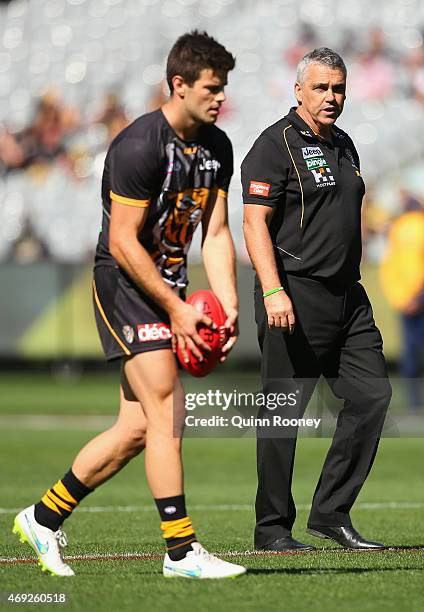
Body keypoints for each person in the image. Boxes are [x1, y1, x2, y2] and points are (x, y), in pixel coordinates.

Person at [13, 31, 245, 580]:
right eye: (211, 88)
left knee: (137, 429)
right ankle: (182, 553)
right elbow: (122, 242)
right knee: (168, 408)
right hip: (123, 283)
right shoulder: (139, 146)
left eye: (224, 88)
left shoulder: (218, 147)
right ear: (178, 84)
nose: (220, 99)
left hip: (167, 288)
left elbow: (214, 232)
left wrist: (228, 304)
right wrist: (177, 308)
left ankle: (42, 519)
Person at [242, 47, 391, 552]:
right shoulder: (273, 145)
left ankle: (330, 513)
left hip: (348, 297)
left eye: (339, 88)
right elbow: (254, 222)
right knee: (284, 414)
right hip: (294, 294)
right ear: (299, 90)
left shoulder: (346, 143)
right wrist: (273, 289)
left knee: (373, 397)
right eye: (323, 88)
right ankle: (272, 530)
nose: (332, 97)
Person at [380, 191, 424, 411]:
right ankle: (414, 404)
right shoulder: (413, 225)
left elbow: (389, 266)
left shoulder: (398, 227)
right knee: (412, 353)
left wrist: (402, 298)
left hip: (407, 299)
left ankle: (414, 405)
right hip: (414, 298)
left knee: (410, 353)